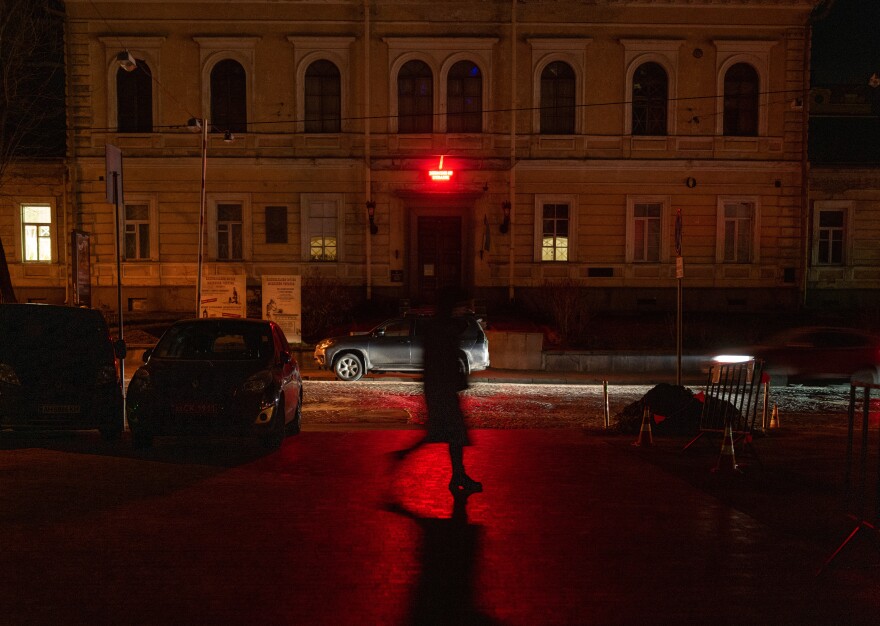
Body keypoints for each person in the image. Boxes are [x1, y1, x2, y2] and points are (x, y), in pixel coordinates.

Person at [391, 289, 482, 494]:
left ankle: (457, 475)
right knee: (452, 434)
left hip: (439, 389)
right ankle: (456, 476)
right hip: (443, 390)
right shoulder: (444, 327)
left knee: (446, 433)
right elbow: (444, 357)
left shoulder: (438, 326)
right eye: (459, 306)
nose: (462, 310)